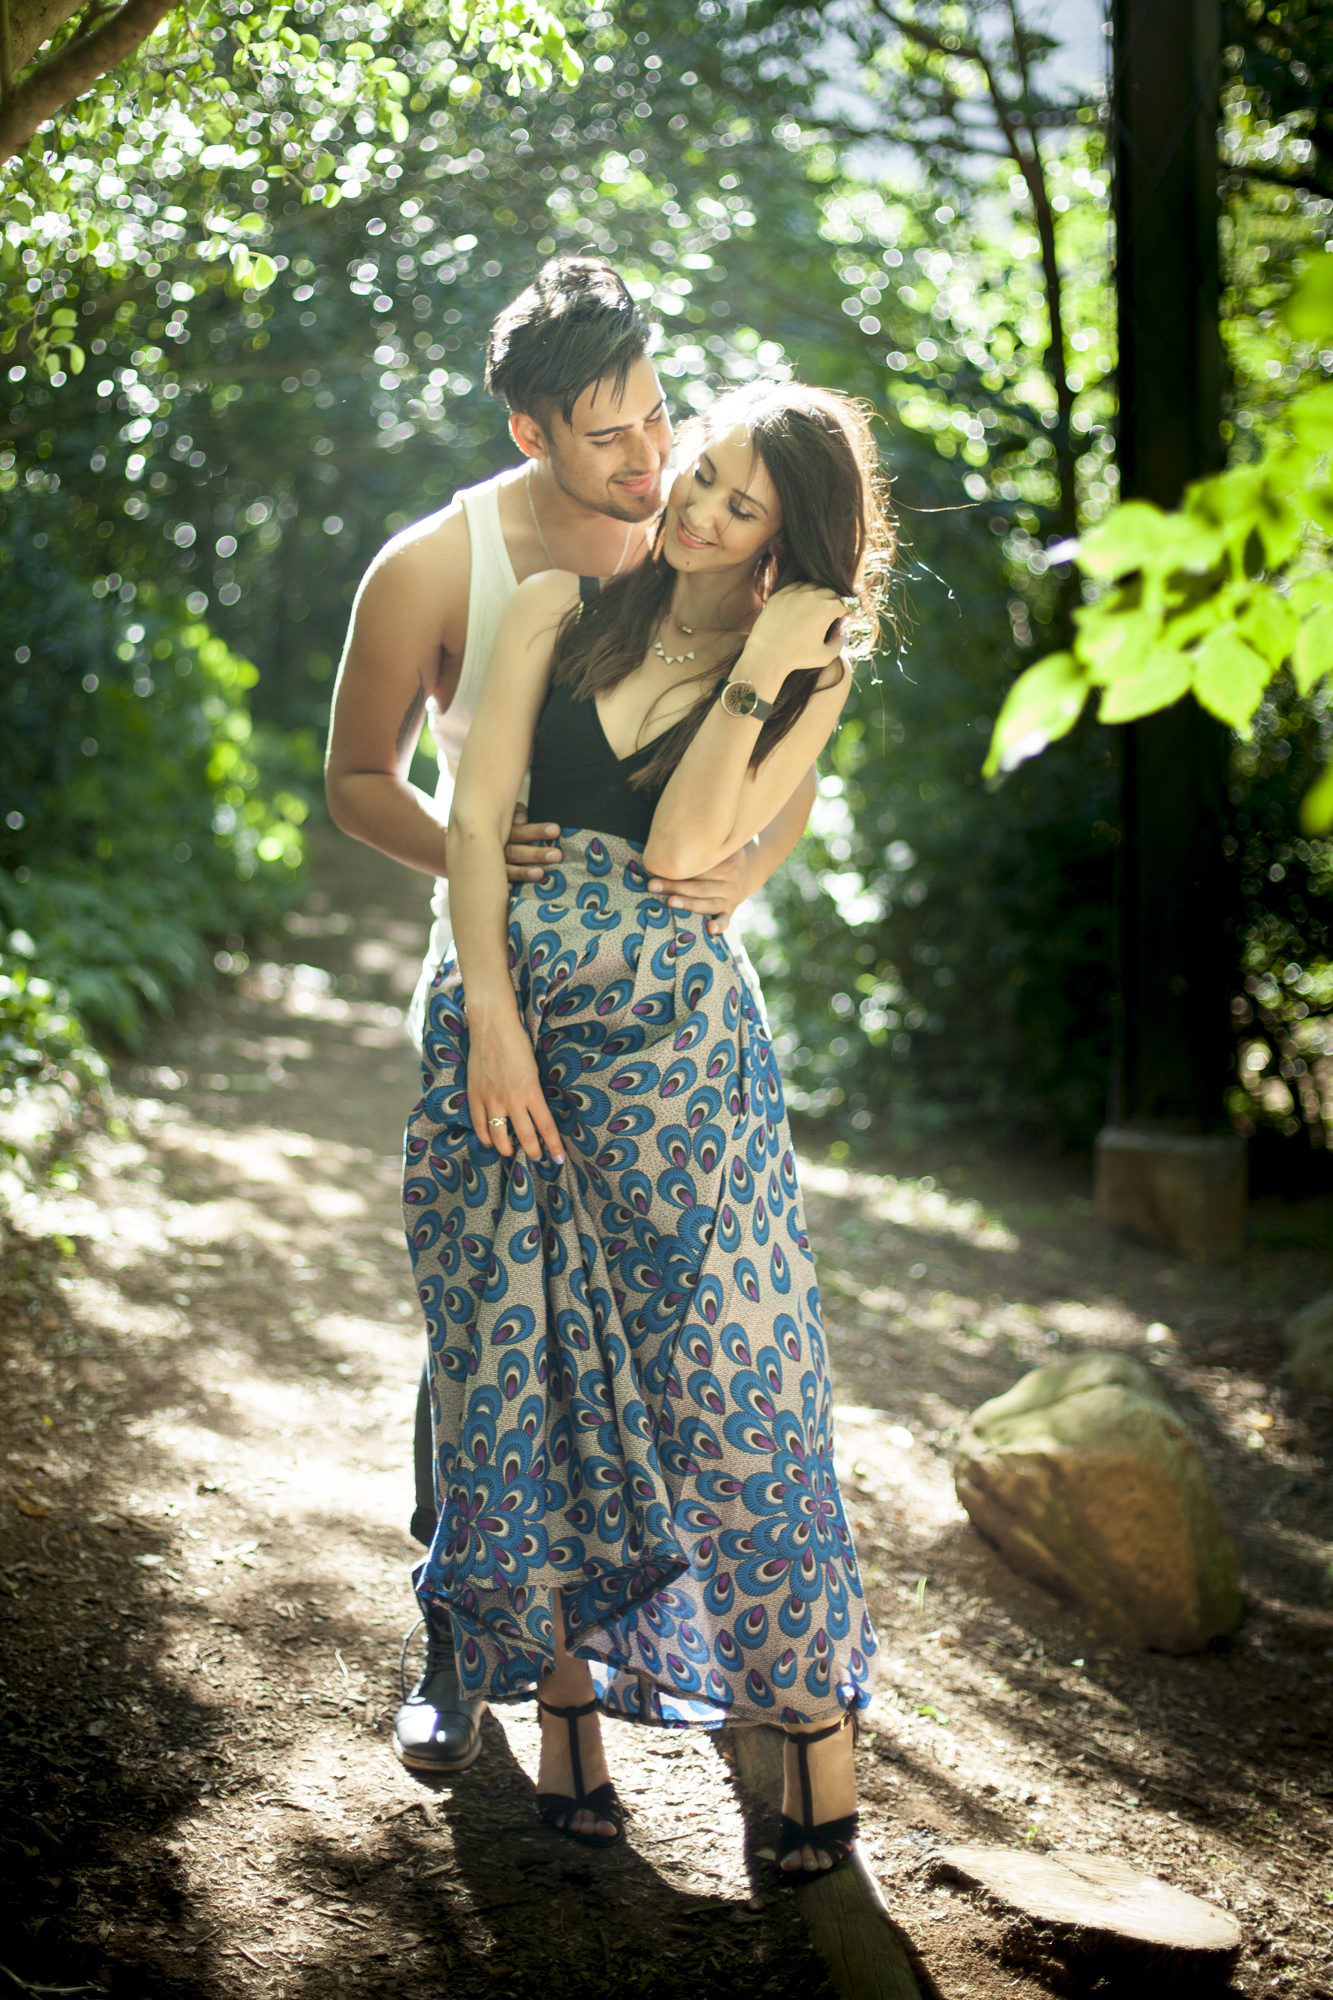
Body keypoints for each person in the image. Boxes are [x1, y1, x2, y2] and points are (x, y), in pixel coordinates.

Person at [325, 257, 817, 1776]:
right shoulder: (436, 567)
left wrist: (748, 869)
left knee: (638, 1318)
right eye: (610, 435)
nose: (652, 459)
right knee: (486, 1319)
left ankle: (654, 1642)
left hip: (657, 1010)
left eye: (661, 418)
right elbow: (356, 780)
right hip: (498, 978)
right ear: (531, 431)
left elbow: (786, 744)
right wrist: (484, 856)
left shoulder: (700, 540)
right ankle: (455, 1638)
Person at [405, 378, 892, 1875]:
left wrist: (769, 661)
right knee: (524, 1373)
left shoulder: (803, 679)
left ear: (790, 546)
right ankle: (567, 1722)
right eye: (704, 472)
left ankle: (809, 1726)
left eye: (744, 505)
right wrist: (491, 1021)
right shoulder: (556, 609)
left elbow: (688, 843)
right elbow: (473, 819)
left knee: (738, 1383)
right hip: (502, 1040)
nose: (698, 507)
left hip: (678, 1068)